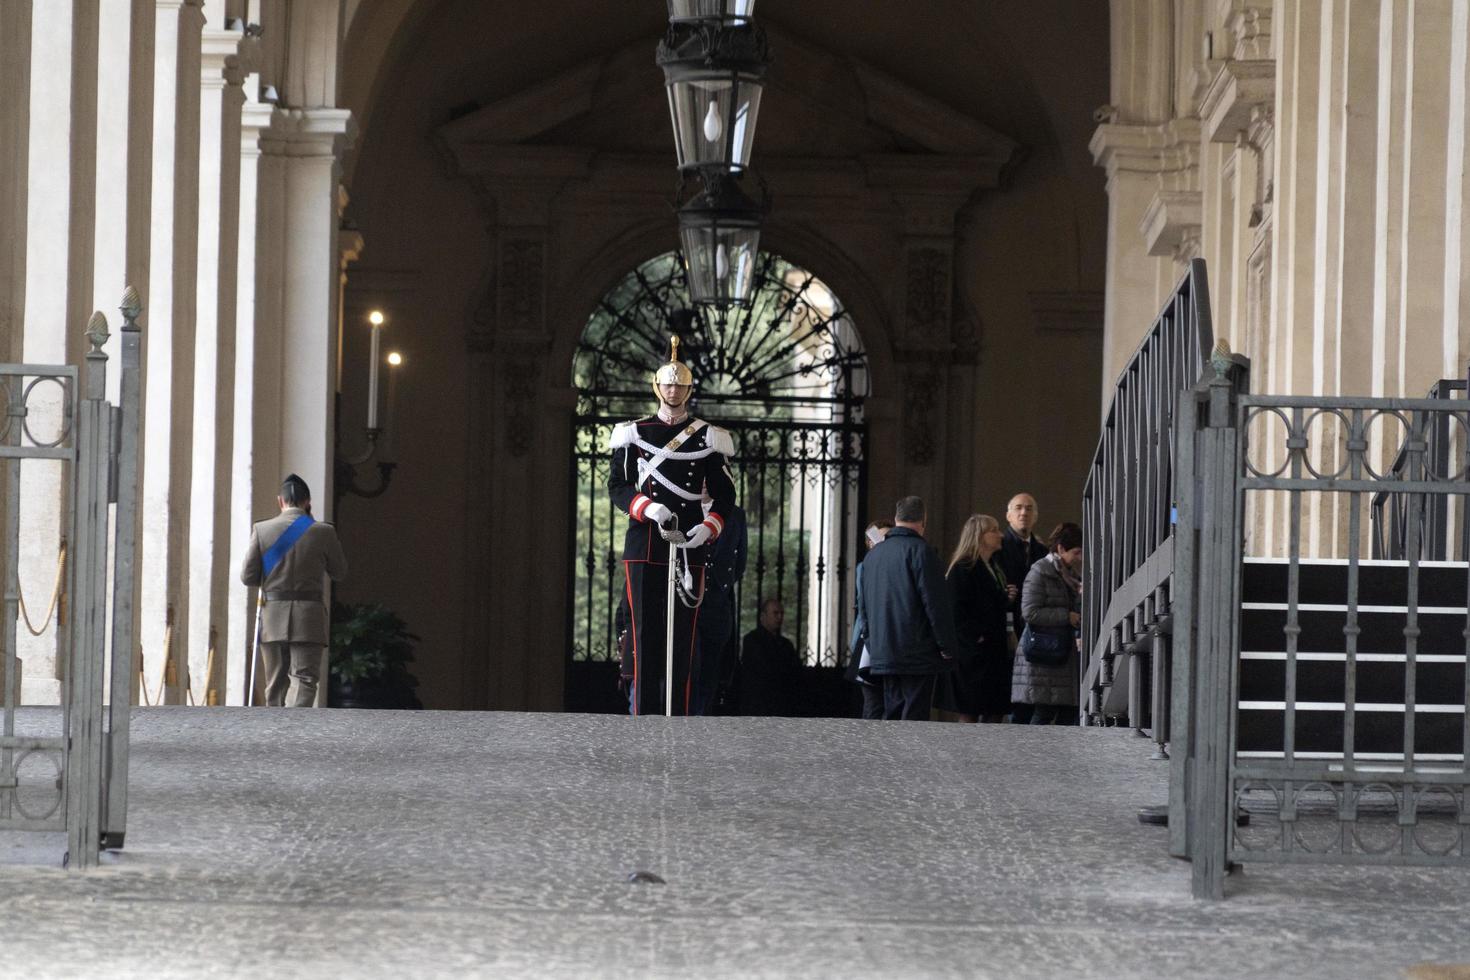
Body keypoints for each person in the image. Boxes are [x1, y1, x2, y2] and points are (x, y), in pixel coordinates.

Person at [608, 335, 738, 716]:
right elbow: (617, 486)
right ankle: (644, 721)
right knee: (645, 636)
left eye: (680, 384)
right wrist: (647, 508)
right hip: (645, 543)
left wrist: (710, 526)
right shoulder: (633, 433)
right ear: (657, 386)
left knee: (683, 642)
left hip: (689, 546)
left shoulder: (708, 437)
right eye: (668, 383)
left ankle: (676, 722)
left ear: (689, 388)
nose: (673, 390)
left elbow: (725, 495)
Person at [240, 474, 347, 707]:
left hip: (272, 615)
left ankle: (273, 732)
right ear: (308, 502)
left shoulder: (261, 529)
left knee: (275, 681)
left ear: (280, 501)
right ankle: (295, 731)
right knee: (305, 679)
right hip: (308, 616)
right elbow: (339, 572)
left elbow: (248, 577)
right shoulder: (323, 532)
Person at [859, 496, 961, 721]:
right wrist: (946, 646)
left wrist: (872, 642)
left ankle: (890, 756)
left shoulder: (873, 556)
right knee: (914, 716)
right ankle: (906, 757)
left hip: (884, 649)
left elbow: (864, 607)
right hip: (918, 653)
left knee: (892, 712)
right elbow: (935, 605)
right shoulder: (922, 552)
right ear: (923, 521)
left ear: (896, 519)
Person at [936, 514, 1013, 723]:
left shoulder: (993, 566)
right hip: (974, 654)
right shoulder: (963, 567)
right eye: (994, 530)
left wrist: (1005, 597)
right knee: (971, 709)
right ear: (980, 536)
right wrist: (976, 637)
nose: (1000, 535)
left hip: (992, 651)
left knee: (993, 709)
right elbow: (955, 610)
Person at [1012, 521, 1083, 725]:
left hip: (1059, 656)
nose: (1079, 558)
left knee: (1065, 713)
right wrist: (1066, 616)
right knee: (1045, 712)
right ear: (1060, 549)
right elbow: (1030, 612)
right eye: (1076, 552)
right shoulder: (1040, 571)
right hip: (1044, 656)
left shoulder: (1069, 574)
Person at [691, 493, 747, 716]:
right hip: (688, 605)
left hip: (717, 607)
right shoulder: (683, 507)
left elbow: (739, 561)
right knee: (687, 672)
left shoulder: (735, 515)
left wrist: (718, 588)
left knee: (709, 676)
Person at [999, 493, 1046, 722]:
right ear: (1008, 515)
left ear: (1035, 516)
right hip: (1007, 627)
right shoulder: (998, 547)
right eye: (1018, 508)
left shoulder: (1042, 551)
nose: (1023, 513)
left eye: (1029, 509)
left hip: (1034, 629)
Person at [846, 519, 892, 719]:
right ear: (869, 543)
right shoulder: (864, 568)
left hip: (890, 643)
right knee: (873, 702)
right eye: (877, 539)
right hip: (869, 643)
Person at [735, 598, 803, 716]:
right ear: (763, 616)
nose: (779, 617)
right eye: (775, 613)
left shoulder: (786, 644)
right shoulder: (752, 640)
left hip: (781, 705)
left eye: (781, 613)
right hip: (759, 705)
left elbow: (794, 672)